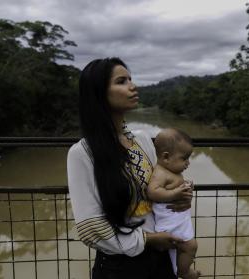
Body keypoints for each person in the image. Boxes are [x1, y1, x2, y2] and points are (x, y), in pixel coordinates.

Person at [67, 57, 193, 279]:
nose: (132, 86)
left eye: (131, 79)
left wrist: (181, 194)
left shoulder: (143, 140)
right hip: (120, 267)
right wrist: (148, 239)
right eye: (121, 81)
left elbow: (162, 183)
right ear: (99, 93)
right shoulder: (82, 153)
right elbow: (90, 228)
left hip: (161, 258)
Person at [148, 128, 200, 279]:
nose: (188, 163)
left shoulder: (172, 170)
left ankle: (177, 269)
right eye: (184, 159)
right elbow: (153, 192)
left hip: (177, 219)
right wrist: (175, 193)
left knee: (183, 248)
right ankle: (184, 272)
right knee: (190, 246)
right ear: (166, 157)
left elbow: (174, 186)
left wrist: (187, 187)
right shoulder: (160, 173)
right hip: (169, 223)